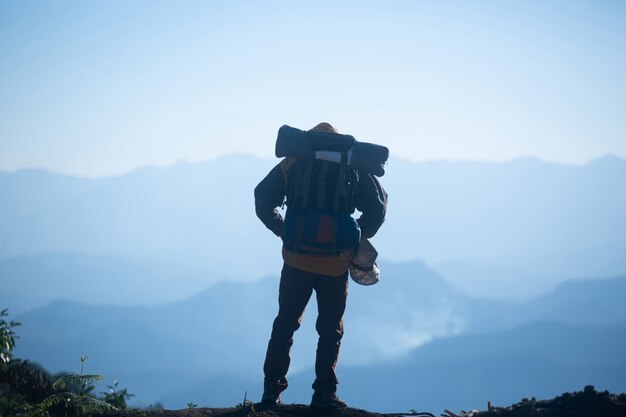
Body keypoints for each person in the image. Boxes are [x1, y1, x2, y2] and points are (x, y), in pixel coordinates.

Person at [254, 122, 387, 408]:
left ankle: (270, 393)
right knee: (330, 330)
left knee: (285, 325)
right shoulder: (353, 165)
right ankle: (324, 394)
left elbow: (262, 199)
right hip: (335, 265)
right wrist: (353, 237)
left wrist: (284, 231)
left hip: (295, 261)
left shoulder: (294, 162)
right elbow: (378, 208)